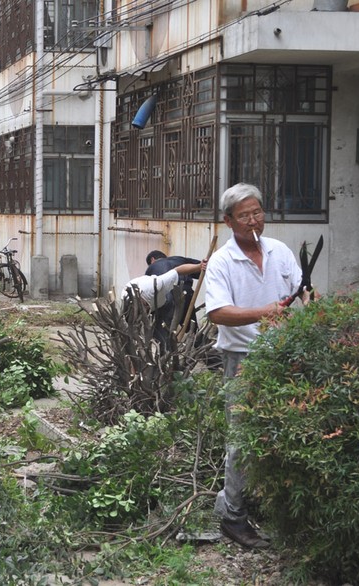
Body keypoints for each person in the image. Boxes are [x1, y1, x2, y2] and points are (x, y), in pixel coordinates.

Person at [204, 182, 309, 549]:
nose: (253, 221)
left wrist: (313, 302)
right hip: (242, 359)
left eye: (258, 213)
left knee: (283, 432)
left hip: (283, 354)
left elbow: (303, 287)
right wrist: (264, 312)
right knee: (242, 440)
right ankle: (233, 517)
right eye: (244, 216)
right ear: (228, 221)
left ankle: (273, 506)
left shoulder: (280, 251)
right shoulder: (222, 261)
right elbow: (217, 312)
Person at [145, 250, 202, 341]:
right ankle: (199, 342)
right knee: (191, 328)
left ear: (152, 260)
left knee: (161, 332)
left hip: (165, 297)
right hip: (185, 293)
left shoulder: (152, 268)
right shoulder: (179, 259)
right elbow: (202, 268)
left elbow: (149, 290)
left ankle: (164, 347)